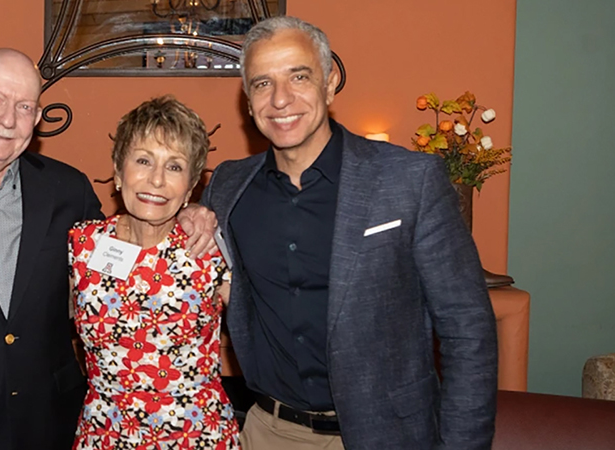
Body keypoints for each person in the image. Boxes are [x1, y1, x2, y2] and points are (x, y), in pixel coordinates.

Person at [0, 49, 216, 450]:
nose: (7, 118)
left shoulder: (68, 192)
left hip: (49, 423)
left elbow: (129, 245)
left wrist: (196, 211)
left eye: (24, 106)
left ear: (36, 118)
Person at [201, 16, 498, 449]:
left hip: (387, 436)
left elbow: (467, 330)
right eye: (262, 84)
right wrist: (192, 213)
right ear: (248, 101)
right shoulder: (228, 187)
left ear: (330, 81)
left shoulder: (410, 181)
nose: (281, 99)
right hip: (268, 432)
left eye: (298, 76)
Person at [70, 96, 240, 450]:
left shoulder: (211, 251)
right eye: (143, 160)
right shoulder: (83, 245)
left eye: (174, 167)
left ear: (191, 185)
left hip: (195, 438)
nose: (157, 179)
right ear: (118, 172)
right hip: (105, 435)